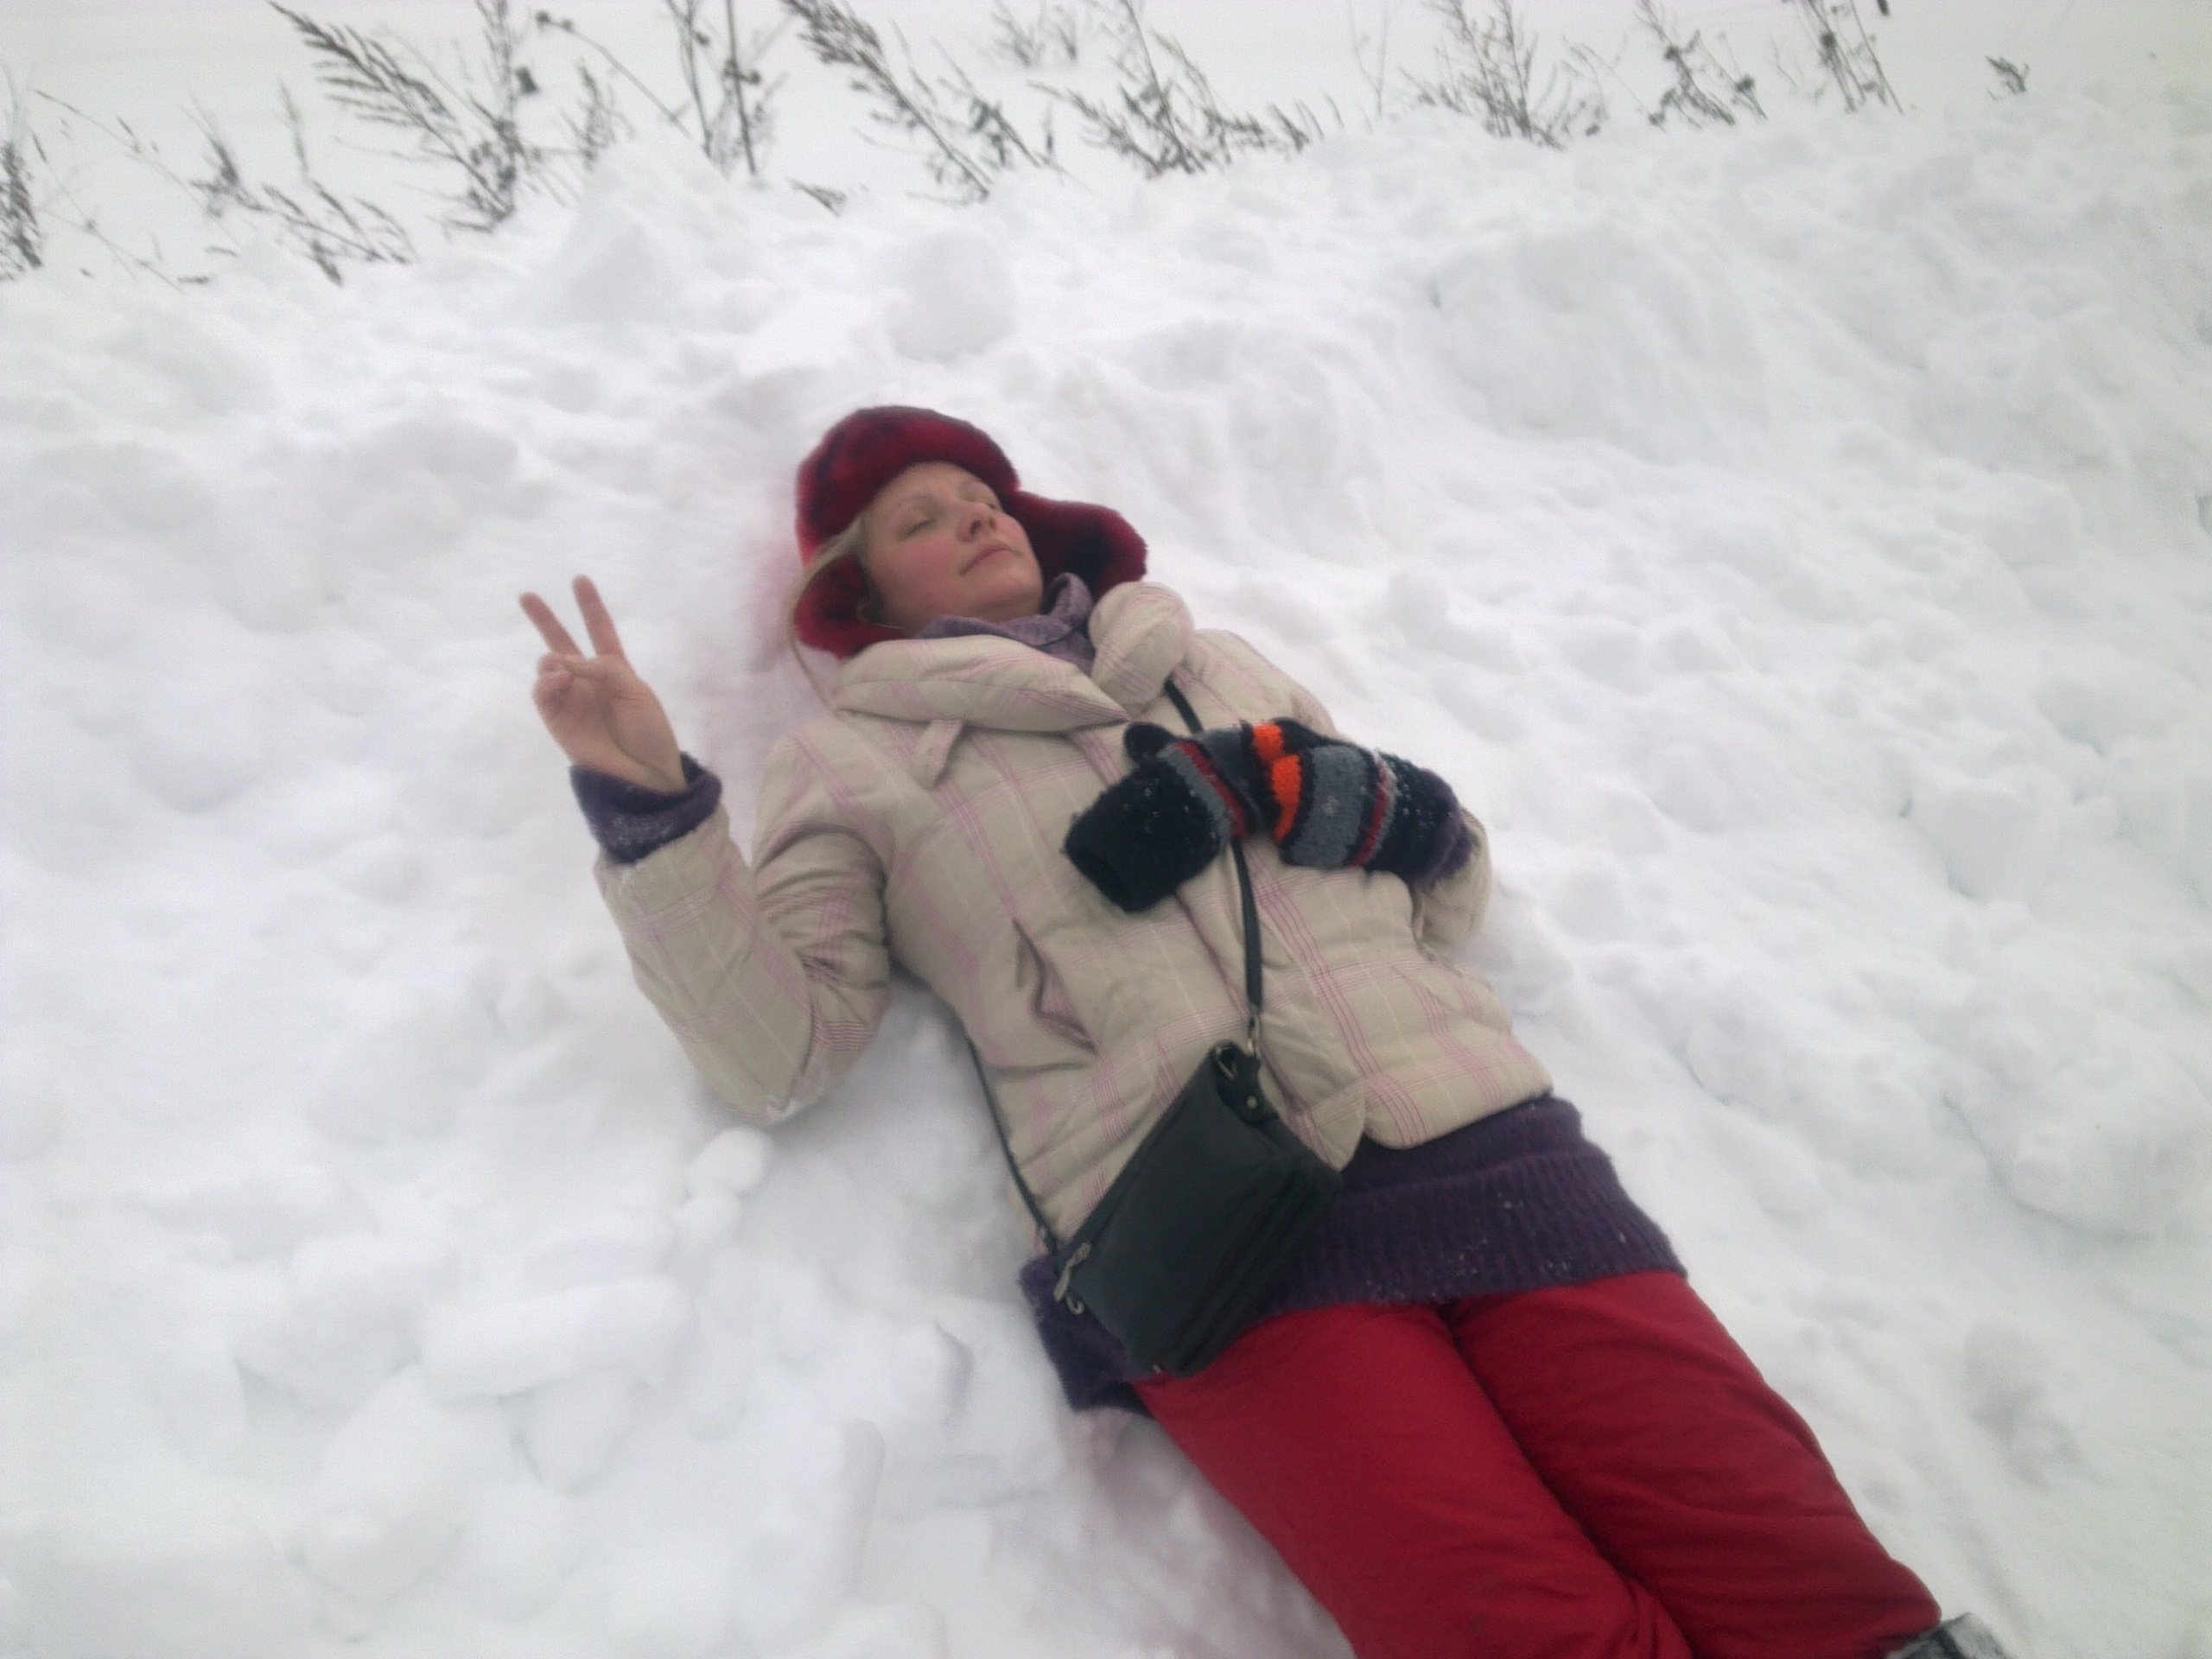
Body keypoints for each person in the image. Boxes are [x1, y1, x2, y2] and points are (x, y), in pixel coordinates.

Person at [521, 406, 2011, 1659]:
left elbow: (1448, 881)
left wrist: (1334, 798)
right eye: (921, 518)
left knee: (1800, 1572)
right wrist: (651, 810)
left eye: (983, 494)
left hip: (1481, 1141)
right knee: (1517, 1625)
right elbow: (780, 1054)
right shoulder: (851, 764)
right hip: (1218, 1238)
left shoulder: (1209, 661)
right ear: (863, 592)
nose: (972, 517)